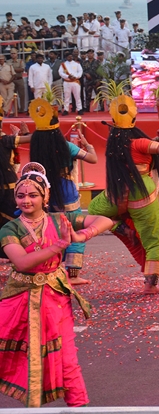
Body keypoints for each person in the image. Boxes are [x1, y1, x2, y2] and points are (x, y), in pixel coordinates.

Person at [0, 164, 92, 407]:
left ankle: (79, 406)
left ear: (45, 197)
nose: (26, 201)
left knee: (67, 358)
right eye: (21, 196)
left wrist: (81, 235)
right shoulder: (10, 228)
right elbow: (21, 262)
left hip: (55, 298)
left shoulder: (59, 220)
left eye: (33, 195)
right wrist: (59, 246)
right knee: (13, 355)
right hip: (19, 299)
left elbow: (103, 220)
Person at [85, 95, 159, 293]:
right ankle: (150, 285)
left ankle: (121, 227)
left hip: (117, 194)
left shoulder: (114, 144)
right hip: (142, 195)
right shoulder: (139, 143)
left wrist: (155, 140)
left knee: (94, 209)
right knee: (155, 239)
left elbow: (140, 150)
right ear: (134, 119)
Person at [28, 98, 98, 285]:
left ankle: (50, 268)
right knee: (75, 229)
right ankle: (73, 275)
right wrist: (87, 145)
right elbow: (93, 159)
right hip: (66, 193)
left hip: (44, 192)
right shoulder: (66, 146)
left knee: (50, 231)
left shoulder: (36, 145)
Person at [0, 99, 30, 238]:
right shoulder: (6, 140)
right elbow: (33, 139)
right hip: (8, 188)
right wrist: (26, 133)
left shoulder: (7, 140)